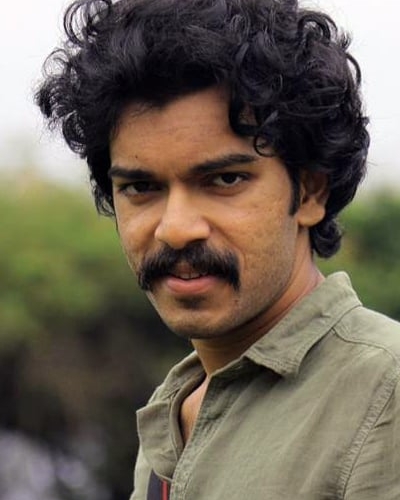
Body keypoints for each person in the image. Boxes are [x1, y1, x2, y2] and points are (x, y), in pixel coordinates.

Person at [35, 0, 400, 498]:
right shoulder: (175, 411)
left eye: (225, 179)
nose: (176, 229)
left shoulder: (383, 396)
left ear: (311, 191)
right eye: (141, 188)